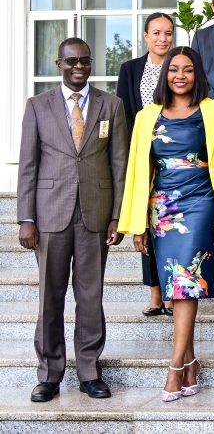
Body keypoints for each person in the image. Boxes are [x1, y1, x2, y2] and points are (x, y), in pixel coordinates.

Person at [118, 46, 214, 402]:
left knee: (185, 282)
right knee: (175, 288)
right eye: (174, 69)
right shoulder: (148, 117)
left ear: (198, 75)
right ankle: (191, 361)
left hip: (202, 204)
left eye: (188, 70)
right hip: (161, 207)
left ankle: (174, 366)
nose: (181, 75)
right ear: (165, 75)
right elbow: (138, 171)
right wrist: (137, 223)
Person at [18, 38, 128, 403]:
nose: (79, 66)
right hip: (50, 214)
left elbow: (119, 165)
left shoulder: (111, 105)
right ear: (58, 64)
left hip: (95, 214)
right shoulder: (38, 106)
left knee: (90, 296)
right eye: (72, 61)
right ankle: (49, 374)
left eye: (85, 60)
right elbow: (28, 166)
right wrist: (26, 218)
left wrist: (117, 215)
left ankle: (89, 371)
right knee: (50, 297)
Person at [116, 11, 175, 317]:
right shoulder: (130, 69)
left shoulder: (180, 66)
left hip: (175, 156)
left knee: (170, 223)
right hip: (143, 155)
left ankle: (171, 294)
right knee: (147, 224)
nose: (163, 38)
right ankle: (155, 293)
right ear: (145, 36)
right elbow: (124, 114)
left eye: (168, 33)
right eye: (156, 33)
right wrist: (128, 155)